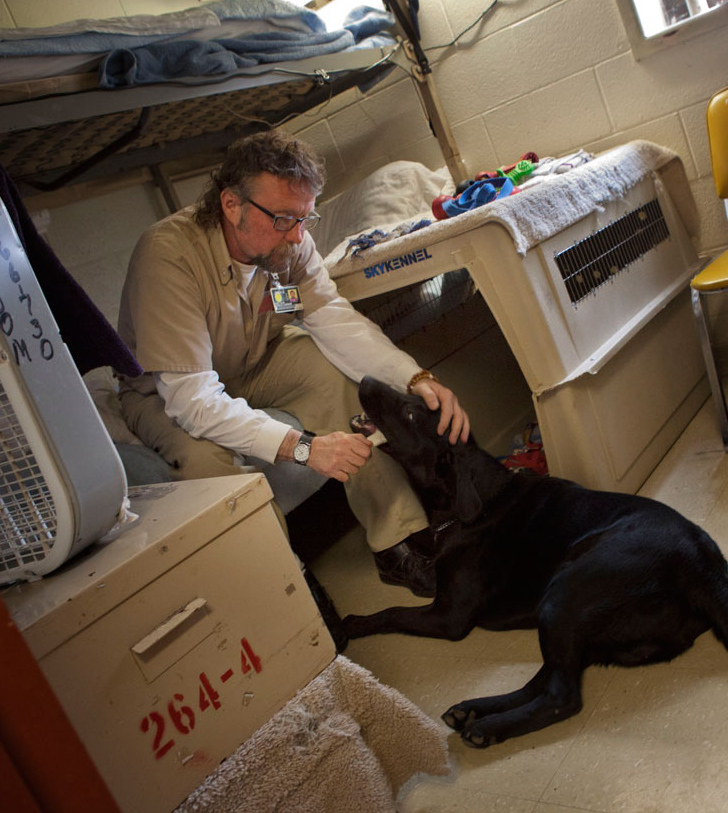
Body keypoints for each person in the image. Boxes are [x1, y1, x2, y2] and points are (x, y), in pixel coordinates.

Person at [117, 129, 469, 597]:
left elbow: (333, 320)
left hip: (253, 362)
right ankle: (291, 587)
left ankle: (399, 540)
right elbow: (193, 400)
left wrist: (416, 377)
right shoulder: (168, 256)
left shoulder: (289, 242)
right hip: (166, 393)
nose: (299, 235)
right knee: (205, 461)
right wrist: (303, 447)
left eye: (306, 218)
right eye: (284, 219)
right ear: (231, 204)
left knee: (345, 383)